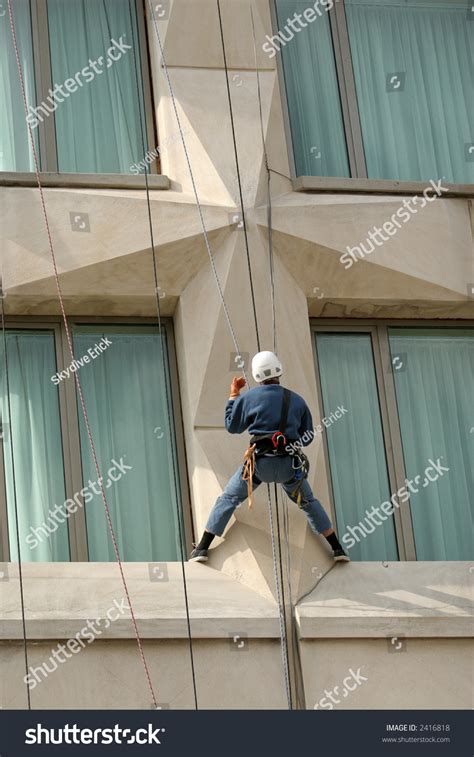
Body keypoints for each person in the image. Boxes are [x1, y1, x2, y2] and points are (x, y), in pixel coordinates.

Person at [190, 351, 350, 564]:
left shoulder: (248, 397)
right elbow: (307, 437)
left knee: (228, 499)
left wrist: (234, 394)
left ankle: (202, 548)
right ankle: (338, 549)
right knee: (309, 502)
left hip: (258, 465)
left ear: (257, 375)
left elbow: (232, 426)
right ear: (278, 371)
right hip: (288, 466)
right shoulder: (297, 400)